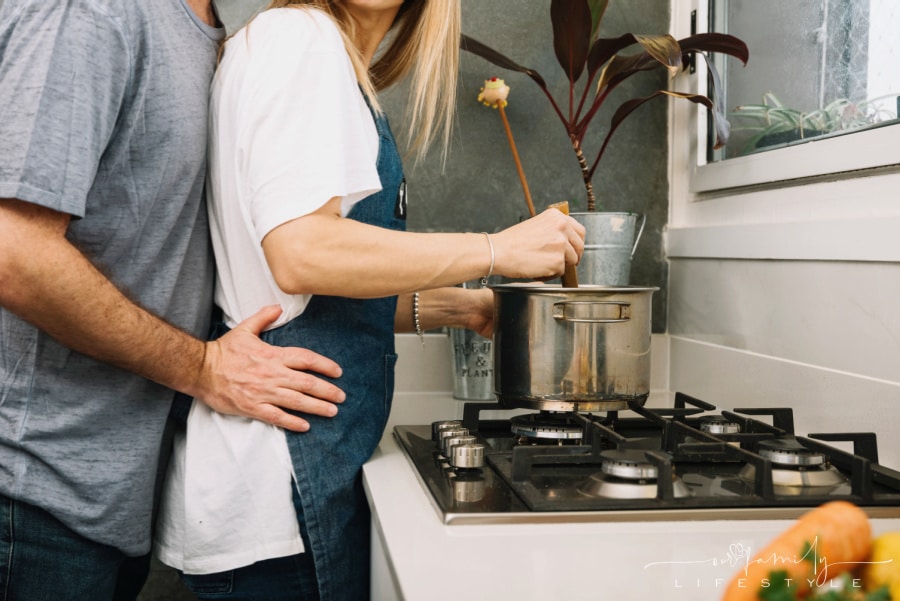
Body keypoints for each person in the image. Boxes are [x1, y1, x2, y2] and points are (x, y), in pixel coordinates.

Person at [153, 1, 587, 600]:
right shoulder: (303, 40)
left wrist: (467, 308)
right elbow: (303, 252)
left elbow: (311, 294)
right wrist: (496, 249)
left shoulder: (305, 50)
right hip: (283, 488)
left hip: (275, 490)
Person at [0, 1, 346, 599]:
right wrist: (202, 366)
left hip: (105, 496)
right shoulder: (91, 11)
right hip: (29, 492)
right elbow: (14, 250)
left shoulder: (207, 31)